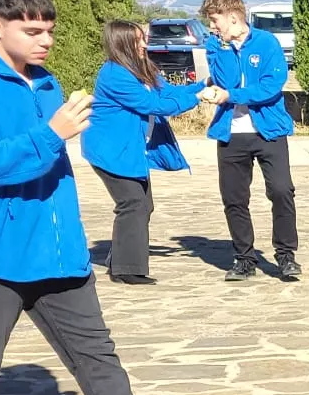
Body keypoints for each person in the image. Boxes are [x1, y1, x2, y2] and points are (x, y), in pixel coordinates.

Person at [0, 0, 217, 395]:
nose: (46, 41)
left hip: (58, 250)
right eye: (32, 31)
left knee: (97, 356)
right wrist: (50, 134)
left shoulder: (46, 81)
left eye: (50, 30)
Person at [83, 19, 213, 285]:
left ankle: (120, 261)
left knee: (142, 204)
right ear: (122, 44)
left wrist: (203, 85)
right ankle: (126, 270)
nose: (145, 44)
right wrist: (198, 99)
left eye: (143, 38)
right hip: (110, 151)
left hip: (127, 150)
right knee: (133, 203)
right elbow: (153, 104)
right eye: (138, 40)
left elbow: (168, 92)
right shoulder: (114, 74)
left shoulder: (139, 69)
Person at [199, 0, 299, 283]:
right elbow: (223, 81)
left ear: (233, 17)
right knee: (234, 198)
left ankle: (286, 255)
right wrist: (222, 49)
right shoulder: (216, 45)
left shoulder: (267, 43)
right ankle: (244, 258)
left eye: (215, 21)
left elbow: (271, 87)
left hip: (268, 131)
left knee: (281, 191)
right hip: (231, 134)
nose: (212, 27)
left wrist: (231, 95)